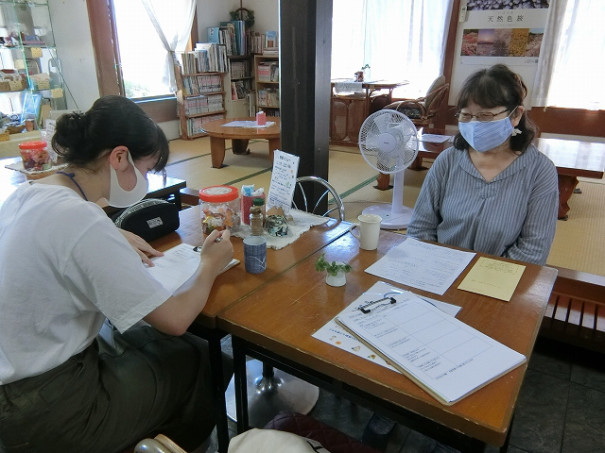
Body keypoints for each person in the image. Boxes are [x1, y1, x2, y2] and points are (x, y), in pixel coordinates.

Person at [0, 95, 234, 453]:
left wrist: (110, 233)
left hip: (14, 391)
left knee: (148, 340)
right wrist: (209, 265)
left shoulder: (30, 193)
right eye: (145, 170)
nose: (145, 181)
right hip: (51, 410)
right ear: (119, 157)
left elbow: (59, 240)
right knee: (200, 358)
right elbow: (174, 320)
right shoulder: (80, 220)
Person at [407, 64, 558, 266]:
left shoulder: (539, 171)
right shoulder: (448, 161)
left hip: (500, 280)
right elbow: (420, 227)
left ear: (516, 115)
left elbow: (533, 249)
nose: (474, 124)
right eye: (466, 115)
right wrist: (438, 268)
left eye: (486, 116)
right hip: (438, 269)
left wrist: (482, 279)